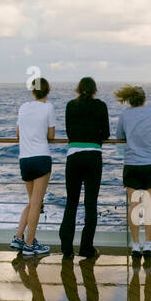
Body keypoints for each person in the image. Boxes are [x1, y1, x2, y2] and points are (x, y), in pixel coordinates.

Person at [59, 77, 109, 260]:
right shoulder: (101, 106)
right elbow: (107, 133)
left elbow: (69, 132)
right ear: (95, 90)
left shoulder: (70, 105)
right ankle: (86, 248)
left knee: (71, 203)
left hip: (74, 157)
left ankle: (67, 249)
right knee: (90, 204)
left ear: (78, 89)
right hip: (93, 156)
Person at [114, 85, 151, 260]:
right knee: (150, 207)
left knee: (134, 207)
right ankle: (148, 245)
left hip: (132, 165)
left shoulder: (125, 115)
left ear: (130, 100)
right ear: (144, 99)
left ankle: (135, 245)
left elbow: (119, 135)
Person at [12, 78, 56, 257]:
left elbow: (18, 133)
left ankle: (18, 237)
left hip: (24, 159)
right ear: (47, 91)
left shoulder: (23, 107)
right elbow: (51, 135)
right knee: (37, 203)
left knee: (32, 202)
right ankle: (29, 245)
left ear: (33, 91)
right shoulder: (48, 107)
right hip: (41, 158)